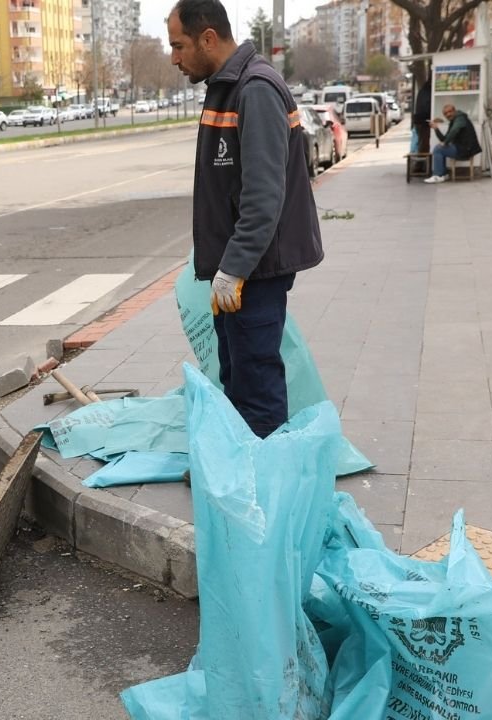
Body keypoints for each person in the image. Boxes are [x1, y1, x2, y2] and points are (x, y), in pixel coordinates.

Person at [167, 0, 323, 441]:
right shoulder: (227, 85)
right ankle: (238, 467)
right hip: (236, 271)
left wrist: (233, 269)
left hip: (253, 271)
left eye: (179, 46)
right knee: (236, 375)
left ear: (208, 38)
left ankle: (262, 482)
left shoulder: (255, 88)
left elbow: (262, 195)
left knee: (256, 385)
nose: (174, 57)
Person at [424, 104, 482, 184]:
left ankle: (438, 175)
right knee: (440, 148)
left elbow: (455, 130)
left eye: (450, 112)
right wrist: (436, 129)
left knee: (438, 149)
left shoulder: (460, 118)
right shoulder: (454, 121)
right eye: (445, 113)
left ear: (454, 111)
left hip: (466, 149)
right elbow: (444, 139)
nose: (448, 114)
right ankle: (443, 174)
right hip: (462, 148)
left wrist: (445, 143)